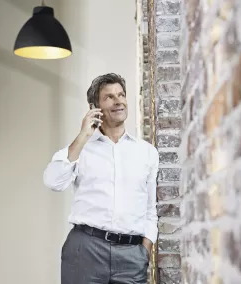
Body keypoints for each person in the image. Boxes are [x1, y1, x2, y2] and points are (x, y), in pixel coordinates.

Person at [43, 73, 159, 284]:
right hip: (86, 250)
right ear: (93, 107)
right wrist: (83, 135)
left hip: (132, 255)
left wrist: (145, 249)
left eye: (121, 95)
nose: (118, 101)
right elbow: (53, 182)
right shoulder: (80, 149)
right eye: (109, 97)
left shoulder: (148, 153)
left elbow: (151, 209)